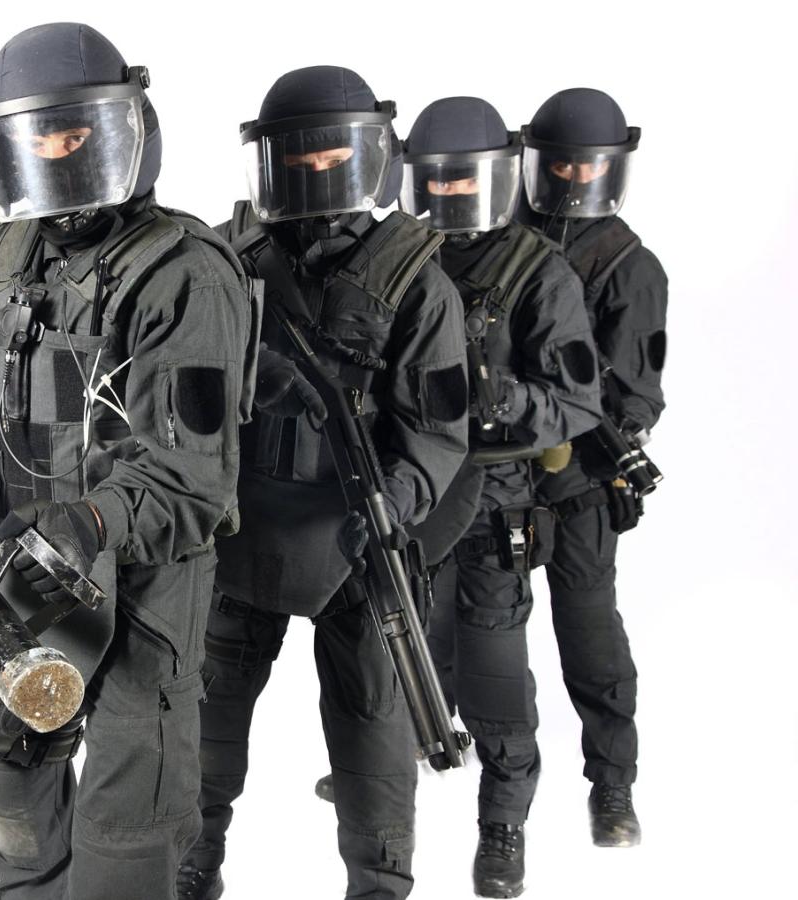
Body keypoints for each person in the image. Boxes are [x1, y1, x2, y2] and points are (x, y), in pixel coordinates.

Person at [0, 22, 254, 900]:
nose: (53, 157)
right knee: (11, 786)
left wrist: (90, 520)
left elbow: (193, 480)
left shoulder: (183, 274)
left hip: (144, 580)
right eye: (32, 140)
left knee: (126, 833)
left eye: (72, 134)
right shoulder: (4, 258)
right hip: (29, 564)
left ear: (125, 131)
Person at [178, 66, 470, 900]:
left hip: (358, 542)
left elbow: (438, 432)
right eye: (296, 161)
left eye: (332, 159)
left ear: (370, 157)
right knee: (205, 723)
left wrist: (397, 503)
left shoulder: (416, 281)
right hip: (239, 531)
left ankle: (379, 882)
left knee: (374, 737)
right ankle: (191, 866)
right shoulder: (225, 261)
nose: (314, 177)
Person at [399, 95, 603, 898]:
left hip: (494, 491)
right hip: (410, 490)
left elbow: (578, 405)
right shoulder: (397, 257)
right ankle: (384, 782)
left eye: (462, 180)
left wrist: (504, 397)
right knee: (394, 650)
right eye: (433, 180)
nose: (446, 195)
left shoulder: (536, 271)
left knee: (494, 674)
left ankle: (503, 824)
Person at [517, 87, 667, 850]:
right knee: (449, 615)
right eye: (561, 164)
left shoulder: (630, 265)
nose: (575, 178)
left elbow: (636, 392)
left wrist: (598, 430)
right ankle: (415, 742)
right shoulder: (499, 235)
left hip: (578, 476)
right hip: (495, 463)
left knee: (589, 635)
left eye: (589, 165)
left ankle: (613, 786)